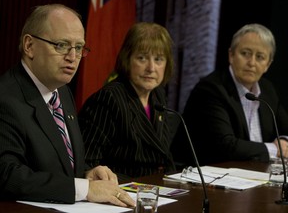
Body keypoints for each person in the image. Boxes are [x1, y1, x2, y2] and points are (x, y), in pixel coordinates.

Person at [0, 4, 135, 207]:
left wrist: (87, 174)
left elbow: (58, 164)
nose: (72, 57)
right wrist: (84, 189)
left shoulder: (61, 91)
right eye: (61, 45)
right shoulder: (6, 98)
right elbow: (8, 176)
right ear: (29, 46)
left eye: (79, 47)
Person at [172, 23, 288, 166]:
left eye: (260, 57)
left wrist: (284, 141)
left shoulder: (267, 89)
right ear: (231, 55)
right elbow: (225, 146)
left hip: (256, 174)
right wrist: (274, 149)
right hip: (211, 177)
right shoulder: (211, 89)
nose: (251, 62)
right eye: (245, 53)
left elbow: (285, 128)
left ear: (268, 65)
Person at [78, 22, 176, 178]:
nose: (151, 68)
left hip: (156, 190)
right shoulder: (110, 99)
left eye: (158, 59)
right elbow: (87, 163)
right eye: (142, 58)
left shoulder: (158, 94)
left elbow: (162, 155)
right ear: (127, 59)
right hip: (120, 191)